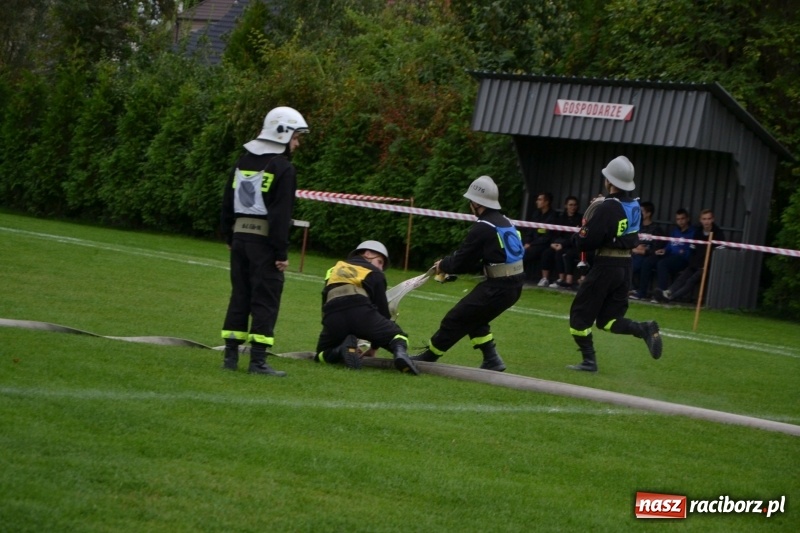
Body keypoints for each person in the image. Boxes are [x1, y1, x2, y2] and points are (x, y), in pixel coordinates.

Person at [219, 106, 309, 376]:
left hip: (240, 239)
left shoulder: (242, 161)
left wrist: (228, 235)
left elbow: (226, 201)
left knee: (240, 296)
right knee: (265, 299)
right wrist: (281, 253)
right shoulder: (283, 167)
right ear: (282, 133)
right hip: (265, 244)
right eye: (296, 137)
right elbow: (281, 215)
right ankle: (257, 361)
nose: (297, 143)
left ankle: (230, 358)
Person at [413, 175, 525, 371]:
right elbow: (489, 257)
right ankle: (492, 360)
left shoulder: (482, 227)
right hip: (512, 285)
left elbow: (463, 259)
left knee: (455, 318)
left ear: (475, 202)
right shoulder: (505, 221)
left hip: (498, 287)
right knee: (476, 317)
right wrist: (451, 267)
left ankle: (428, 357)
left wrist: (444, 265)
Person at [567, 155, 662, 372]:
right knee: (608, 319)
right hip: (625, 266)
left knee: (579, 317)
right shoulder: (635, 206)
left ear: (609, 181)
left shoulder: (608, 207)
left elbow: (585, 240)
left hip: (605, 266)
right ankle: (642, 329)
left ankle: (589, 361)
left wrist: (580, 233)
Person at [313, 240, 419, 375]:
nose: (380, 268)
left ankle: (339, 351)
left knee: (321, 355)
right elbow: (382, 311)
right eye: (380, 262)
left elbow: (325, 297)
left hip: (333, 315)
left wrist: (329, 324)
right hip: (360, 312)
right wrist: (375, 346)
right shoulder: (375, 273)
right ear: (368, 253)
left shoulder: (333, 269)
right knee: (399, 337)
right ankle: (400, 355)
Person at [654, 209, 725, 303]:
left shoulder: (718, 234)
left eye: (709, 219)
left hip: (708, 266)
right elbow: (692, 250)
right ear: (700, 220)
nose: (706, 221)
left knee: (691, 281)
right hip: (695, 263)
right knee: (682, 277)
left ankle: (671, 298)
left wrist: (708, 265)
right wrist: (692, 263)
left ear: (713, 219)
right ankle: (668, 292)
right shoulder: (698, 232)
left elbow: (720, 254)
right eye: (704, 219)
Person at [631, 208, 694, 300]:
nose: (680, 221)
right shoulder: (675, 231)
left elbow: (693, 249)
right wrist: (664, 250)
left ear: (687, 219)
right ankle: (642, 292)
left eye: (682, 218)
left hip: (682, 258)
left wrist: (685, 252)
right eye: (678, 219)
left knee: (662, 264)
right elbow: (669, 245)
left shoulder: (693, 232)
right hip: (669, 255)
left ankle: (660, 295)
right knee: (648, 261)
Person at [544, 196, 583, 289]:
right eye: (570, 205)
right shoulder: (560, 218)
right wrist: (553, 243)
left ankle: (562, 279)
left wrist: (562, 245)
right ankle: (544, 278)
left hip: (572, 245)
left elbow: (577, 236)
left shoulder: (580, 219)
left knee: (561, 253)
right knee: (546, 253)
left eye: (575, 205)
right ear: (566, 206)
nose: (573, 207)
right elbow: (554, 233)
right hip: (559, 243)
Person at [521, 192, 558, 285]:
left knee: (532, 252)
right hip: (532, 243)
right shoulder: (536, 214)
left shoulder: (553, 216)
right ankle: (516, 275)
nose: (537, 202)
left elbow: (548, 236)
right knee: (519, 249)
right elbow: (530, 230)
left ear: (546, 202)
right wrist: (527, 242)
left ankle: (544, 279)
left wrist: (531, 244)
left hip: (545, 244)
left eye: (540, 200)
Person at [630, 201, 665, 290]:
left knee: (632, 266)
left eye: (641, 211)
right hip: (634, 254)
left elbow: (655, 249)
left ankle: (634, 289)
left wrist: (642, 250)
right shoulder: (637, 227)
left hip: (646, 257)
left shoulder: (656, 229)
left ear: (648, 214)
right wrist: (636, 249)